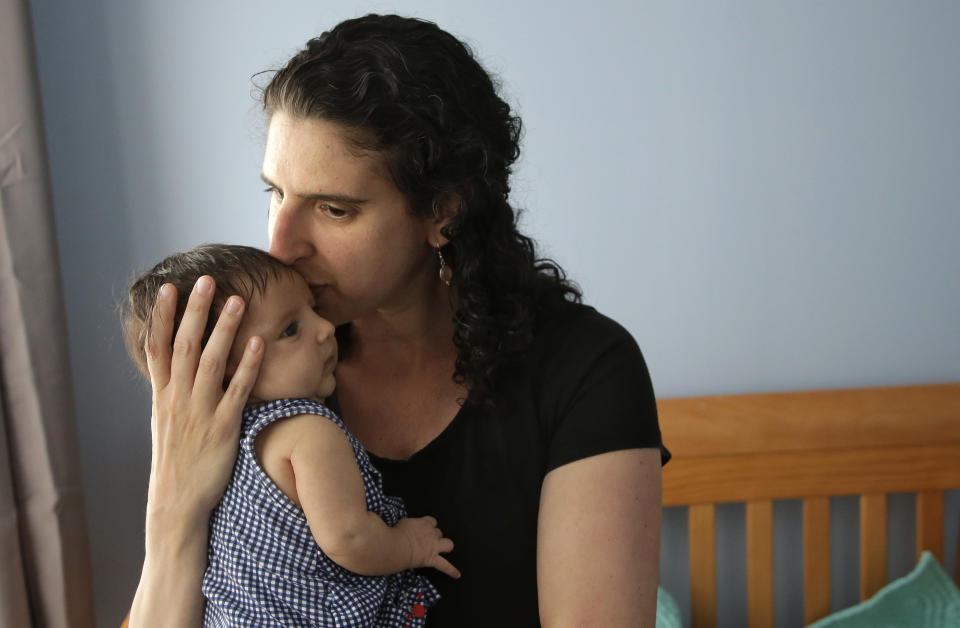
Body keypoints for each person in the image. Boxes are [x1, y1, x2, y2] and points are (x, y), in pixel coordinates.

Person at [128, 13, 668, 627]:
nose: (281, 247)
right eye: (275, 194)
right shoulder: (253, 369)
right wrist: (172, 511)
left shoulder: (583, 371)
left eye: (334, 209)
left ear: (444, 212)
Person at [122, 244, 458, 626]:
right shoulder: (309, 431)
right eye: (291, 329)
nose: (326, 328)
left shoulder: (221, 446)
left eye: (312, 309)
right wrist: (410, 545)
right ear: (224, 371)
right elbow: (349, 538)